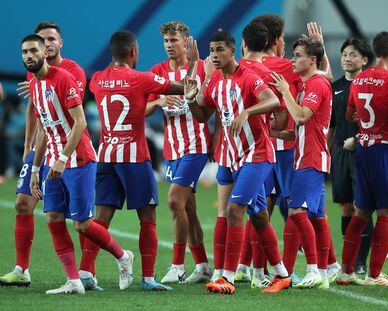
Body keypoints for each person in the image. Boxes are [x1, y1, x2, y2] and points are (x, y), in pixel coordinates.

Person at [20, 34, 134, 295]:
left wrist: (61, 158)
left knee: (81, 224)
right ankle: (73, 281)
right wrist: (36, 168)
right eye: (25, 52)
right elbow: (44, 130)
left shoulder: (63, 78)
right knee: (53, 217)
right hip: (52, 163)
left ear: (44, 53)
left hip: (78, 160)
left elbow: (81, 123)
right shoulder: (34, 86)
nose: (29, 56)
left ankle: (123, 256)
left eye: (34, 50)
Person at [84, 30, 196, 291]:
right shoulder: (141, 79)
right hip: (134, 157)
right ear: (134, 52)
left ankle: (86, 272)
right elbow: (188, 90)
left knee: (101, 219)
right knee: (147, 217)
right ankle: (147, 279)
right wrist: (192, 64)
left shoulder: (98, 80)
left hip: (107, 156)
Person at [186, 31, 291, 295]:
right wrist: (190, 99)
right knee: (257, 216)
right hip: (234, 157)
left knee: (234, 210)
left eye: (219, 49)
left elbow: (273, 100)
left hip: (257, 154)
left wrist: (247, 111)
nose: (214, 55)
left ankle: (227, 278)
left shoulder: (248, 76)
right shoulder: (214, 83)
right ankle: (282, 274)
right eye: (211, 50)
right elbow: (201, 116)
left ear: (233, 51)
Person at [0, 21, 87, 287]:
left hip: (69, 152)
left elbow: (74, 116)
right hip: (41, 148)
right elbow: (34, 110)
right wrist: (28, 146)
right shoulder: (33, 70)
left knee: (80, 220)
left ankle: (87, 272)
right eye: (41, 40)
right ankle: (21, 269)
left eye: (50, 39)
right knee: (22, 203)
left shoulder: (72, 72)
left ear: (60, 43)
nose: (45, 44)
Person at [337, 32, 388, 286]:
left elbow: (349, 115)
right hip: (386, 150)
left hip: (364, 149)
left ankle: (345, 272)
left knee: (360, 212)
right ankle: (374, 275)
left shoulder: (359, 80)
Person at [146, 21, 211, 284]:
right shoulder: (157, 71)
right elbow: (144, 107)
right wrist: (159, 100)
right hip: (172, 149)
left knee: (174, 201)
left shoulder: (202, 66)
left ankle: (177, 265)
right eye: (166, 41)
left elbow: (211, 101)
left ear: (186, 41)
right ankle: (204, 265)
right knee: (189, 208)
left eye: (174, 40)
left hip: (196, 145)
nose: (170, 45)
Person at [270, 36, 333, 289]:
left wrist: (285, 91)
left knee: (296, 211)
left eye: (297, 56)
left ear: (312, 60)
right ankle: (326, 272)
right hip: (305, 156)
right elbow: (298, 130)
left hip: (312, 158)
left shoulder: (316, 84)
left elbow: (302, 117)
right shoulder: (309, 85)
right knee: (317, 217)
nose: (292, 60)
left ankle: (313, 269)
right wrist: (273, 133)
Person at [328, 38, 374, 276]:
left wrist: (357, 139)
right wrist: (327, 151)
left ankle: (361, 262)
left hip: (364, 153)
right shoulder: (334, 86)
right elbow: (333, 125)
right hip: (339, 153)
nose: (347, 58)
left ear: (364, 60)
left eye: (353, 54)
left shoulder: (371, 86)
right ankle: (349, 260)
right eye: (345, 53)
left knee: (362, 207)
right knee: (346, 208)